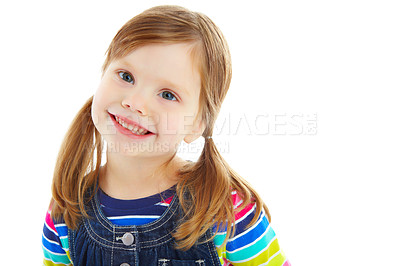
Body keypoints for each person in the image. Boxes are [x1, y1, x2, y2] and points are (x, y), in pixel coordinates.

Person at [42, 5, 291, 266]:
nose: (135, 102)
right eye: (126, 76)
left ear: (197, 125)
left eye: (168, 94)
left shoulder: (228, 212)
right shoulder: (64, 213)